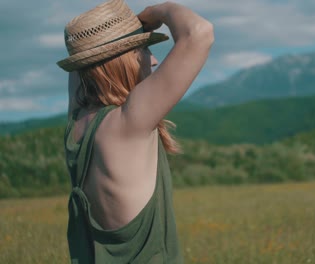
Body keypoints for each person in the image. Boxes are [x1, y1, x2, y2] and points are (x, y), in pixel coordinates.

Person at [56, 0, 213, 263]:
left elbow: (84, 71)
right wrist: (156, 12)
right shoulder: (127, 123)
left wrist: (121, 35)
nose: (153, 60)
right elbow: (200, 33)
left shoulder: (77, 122)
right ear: (121, 61)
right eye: (143, 50)